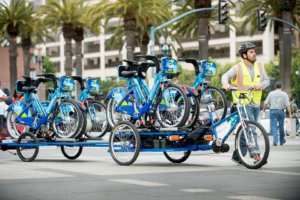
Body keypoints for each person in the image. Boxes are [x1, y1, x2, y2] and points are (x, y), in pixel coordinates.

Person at [222, 42, 270, 165]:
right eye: (251, 52)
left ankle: (238, 156)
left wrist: (261, 85)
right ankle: (256, 155)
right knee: (250, 129)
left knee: (245, 130)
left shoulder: (260, 66)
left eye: (254, 51)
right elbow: (225, 75)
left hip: (255, 103)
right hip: (242, 103)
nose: (255, 54)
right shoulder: (238, 67)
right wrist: (226, 83)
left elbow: (267, 81)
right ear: (244, 55)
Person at [262, 82, 291, 146]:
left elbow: (266, 103)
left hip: (272, 111)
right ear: (282, 86)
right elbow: (288, 105)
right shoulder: (284, 94)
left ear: (275, 87)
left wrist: (264, 109)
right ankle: (282, 140)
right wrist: (290, 113)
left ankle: (275, 141)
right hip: (281, 111)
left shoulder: (271, 93)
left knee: (274, 127)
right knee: (281, 126)